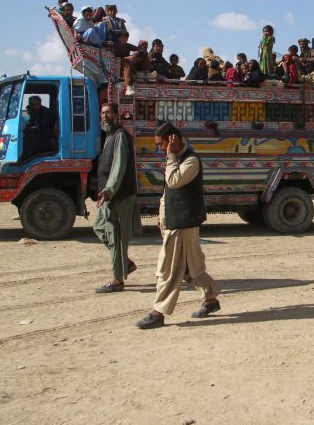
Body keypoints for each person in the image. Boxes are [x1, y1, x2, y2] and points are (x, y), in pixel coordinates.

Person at [135, 123, 221, 329]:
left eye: (161, 144)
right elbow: (168, 193)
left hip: (183, 222)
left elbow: (174, 181)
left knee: (168, 269)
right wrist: (162, 217)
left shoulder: (190, 160)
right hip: (176, 221)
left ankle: (158, 313)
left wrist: (171, 156)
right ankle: (210, 300)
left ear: (173, 140)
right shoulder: (174, 159)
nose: (159, 148)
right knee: (192, 267)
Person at [94, 103, 143, 293]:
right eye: (102, 113)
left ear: (116, 115)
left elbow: (119, 166)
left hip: (118, 195)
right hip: (109, 196)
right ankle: (125, 263)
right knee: (99, 228)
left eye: (108, 113)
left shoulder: (121, 136)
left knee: (116, 238)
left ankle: (117, 280)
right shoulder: (109, 136)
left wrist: (109, 189)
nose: (104, 116)